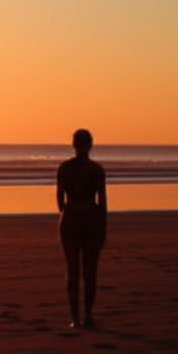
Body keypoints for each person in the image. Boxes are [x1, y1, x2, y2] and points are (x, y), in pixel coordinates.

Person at [57, 129, 107, 328]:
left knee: (72, 270)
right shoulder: (96, 170)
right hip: (91, 220)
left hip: (70, 219)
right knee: (90, 271)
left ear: (74, 144)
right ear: (91, 145)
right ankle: (88, 316)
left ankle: (75, 317)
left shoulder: (64, 168)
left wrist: (69, 211)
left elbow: (60, 199)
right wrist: (102, 226)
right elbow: (102, 202)